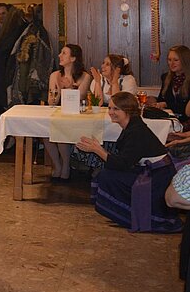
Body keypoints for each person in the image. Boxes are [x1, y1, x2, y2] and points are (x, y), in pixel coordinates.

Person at [76, 92, 182, 233]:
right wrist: (99, 150)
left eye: (116, 109)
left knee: (107, 176)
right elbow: (124, 160)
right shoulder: (133, 125)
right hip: (152, 171)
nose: (111, 112)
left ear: (128, 111)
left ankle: (129, 215)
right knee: (107, 173)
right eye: (110, 108)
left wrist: (98, 150)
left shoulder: (136, 131)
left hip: (158, 177)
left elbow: (122, 164)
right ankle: (127, 215)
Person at [46, 43, 92, 182]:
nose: (59, 55)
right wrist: (59, 90)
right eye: (60, 52)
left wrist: (70, 87)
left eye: (64, 53)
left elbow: (80, 98)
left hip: (76, 116)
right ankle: (57, 164)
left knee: (62, 131)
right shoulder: (54, 75)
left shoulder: (85, 76)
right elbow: (51, 101)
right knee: (45, 132)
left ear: (73, 58)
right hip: (58, 113)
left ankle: (66, 165)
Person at [152, 45, 190, 123]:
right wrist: (154, 101)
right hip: (168, 120)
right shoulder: (165, 77)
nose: (171, 63)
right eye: (169, 60)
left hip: (186, 121)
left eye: (176, 60)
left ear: (185, 61)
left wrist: (166, 104)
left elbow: (186, 109)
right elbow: (161, 99)